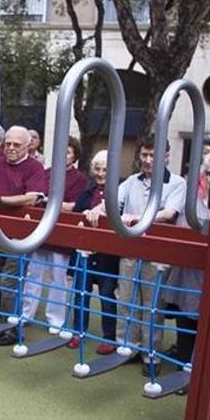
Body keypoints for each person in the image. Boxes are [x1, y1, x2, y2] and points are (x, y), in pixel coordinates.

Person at [87, 135, 185, 376]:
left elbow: (170, 213)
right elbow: (112, 202)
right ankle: (127, 348)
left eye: (154, 155)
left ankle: (150, 353)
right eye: (144, 155)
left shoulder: (176, 183)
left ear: (166, 156)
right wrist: (96, 210)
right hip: (130, 249)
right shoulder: (131, 181)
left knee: (151, 304)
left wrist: (138, 217)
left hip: (157, 252)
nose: (149, 160)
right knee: (127, 299)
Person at [0, 126, 48, 346]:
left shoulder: (35, 167)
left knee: (10, 282)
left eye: (16, 145)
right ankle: (4, 326)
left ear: (27, 146)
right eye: (7, 143)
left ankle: (12, 330)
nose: (10, 148)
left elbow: (31, 198)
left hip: (21, 236)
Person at [160, 149, 210, 371]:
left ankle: (200, 369)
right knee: (184, 322)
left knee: (207, 324)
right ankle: (182, 367)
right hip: (186, 274)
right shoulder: (189, 198)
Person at [28, 136, 88, 333]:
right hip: (40, 230)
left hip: (62, 233)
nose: (64, 156)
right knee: (32, 273)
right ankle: (25, 313)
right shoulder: (45, 173)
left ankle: (56, 319)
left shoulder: (80, 179)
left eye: (68, 152)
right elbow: (35, 197)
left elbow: (74, 206)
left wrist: (50, 202)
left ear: (75, 155)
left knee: (58, 277)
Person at [69, 150, 119, 354]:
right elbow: (77, 215)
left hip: (107, 254)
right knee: (81, 293)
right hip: (84, 252)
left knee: (107, 295)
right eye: (97, 169)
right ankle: (78, 332)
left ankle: (109, 338)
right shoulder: (87, 191)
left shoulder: (118, 192)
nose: (100, 174)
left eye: (105, 170)